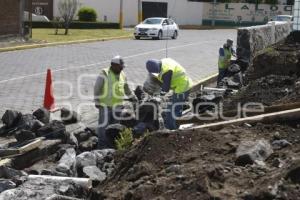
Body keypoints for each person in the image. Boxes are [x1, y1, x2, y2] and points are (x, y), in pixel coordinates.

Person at [94, 55, 135, 149]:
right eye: (120, 67)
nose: (122, 69)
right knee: (103, 128)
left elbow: (126, 88)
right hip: (105, 106)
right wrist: (96, 101)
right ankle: (101, 148)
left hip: (118, 106)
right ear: (113, 65)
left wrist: (132, 96)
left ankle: (111, 147)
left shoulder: (123, 74)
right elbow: (97, 87)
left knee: (114, 128)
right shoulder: (104, 73)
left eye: (122, 67)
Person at [146, 58, 193, 130]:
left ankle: (173, 129)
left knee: (174, 109)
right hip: (181, 84)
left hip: (182, 87)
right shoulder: (163, 62)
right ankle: (172, 123)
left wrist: (159, 96)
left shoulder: (167, 71)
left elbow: (166, 88)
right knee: (172, 108)